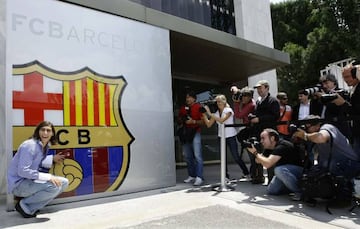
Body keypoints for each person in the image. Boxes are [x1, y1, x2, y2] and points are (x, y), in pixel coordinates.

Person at [7, 121, 69, 218]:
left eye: (48, 130)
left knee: (64, 182)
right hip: (18, 184)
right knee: (54, 186)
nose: (45, 133)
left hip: (29, 180)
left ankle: (31, 207)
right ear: (38, 131)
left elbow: (36, 161)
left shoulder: (45, 146)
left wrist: (52, 158)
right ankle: (23, 205)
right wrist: (48, 177)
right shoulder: (29, 145)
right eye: (42, 130)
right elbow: (23, 171)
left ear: (52, 133)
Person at [293, 115, 360, 179]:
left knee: (327, 165)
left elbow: (320, 137)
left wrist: (305, 136)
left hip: (348, 164)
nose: (306, 130)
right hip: (334, 165)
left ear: (317, 125)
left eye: (308, 127)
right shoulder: (312, 135)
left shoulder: (327, 127)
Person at [202, 94, 251, 181]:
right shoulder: (216, 113)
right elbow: (209, 124)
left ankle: (246, 173)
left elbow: (221, 120)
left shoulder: (228, 110)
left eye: (219, 101)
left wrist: (209, 113)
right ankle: (226, 177)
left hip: (230, 136)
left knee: (236, 156)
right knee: (222, 158)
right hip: (221, 137)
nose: (218, 103)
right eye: (217, 102)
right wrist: (204, 115)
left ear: (224, 102)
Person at [246, 128, 304, 200]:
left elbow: (267, 164)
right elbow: (258, 161)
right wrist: (257, 150)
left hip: (297, 171)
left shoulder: (282, 146)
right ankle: (293, 187)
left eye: (263, 138)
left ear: (272, 138)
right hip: (285, 173)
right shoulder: (269, 148)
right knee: (272, 191)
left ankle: (300, 192)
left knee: (278, 170)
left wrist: (255, 153)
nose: (261, 141)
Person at [247, 80, 280, 184]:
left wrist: (259, 119)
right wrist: (252, 116)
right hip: (258, 133)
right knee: (257, 155)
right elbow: (258, 114)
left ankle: (272, 181)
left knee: (269, 156)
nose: (259, 90)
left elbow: (275, 116)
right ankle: (258, 177)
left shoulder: (273, 101)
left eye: (261, 88)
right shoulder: (258, 101)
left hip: (269, 134)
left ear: (267, 88)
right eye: (257, 88)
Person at [178, 91, 204, 186]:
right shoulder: (183, 108)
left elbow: (204, 122)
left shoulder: (199, 107)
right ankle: (191, 175)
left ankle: (199, 177)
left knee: (197, 155)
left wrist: (193, 121)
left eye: (189, 97)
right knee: (188, 156)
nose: (187, 99)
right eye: (186, 97)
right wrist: (182, 119)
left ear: (194, 98)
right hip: (185, 133)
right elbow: (179, 119)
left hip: (195, 132)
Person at [333, 63, 360, 154]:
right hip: (354, 134)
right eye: (344, 77)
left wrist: (343, 103)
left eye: (348, 76)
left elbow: (356, 112)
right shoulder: (353, 90)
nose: (346, 80)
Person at [315, 73, 351, 139]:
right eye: (323, 84)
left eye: (326, 83)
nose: (324, 86)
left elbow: (337, 109)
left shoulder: (341, 92)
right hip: (325, 128)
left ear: (334, 82)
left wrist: (325, 98)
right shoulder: (322, 95)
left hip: (338, 128)